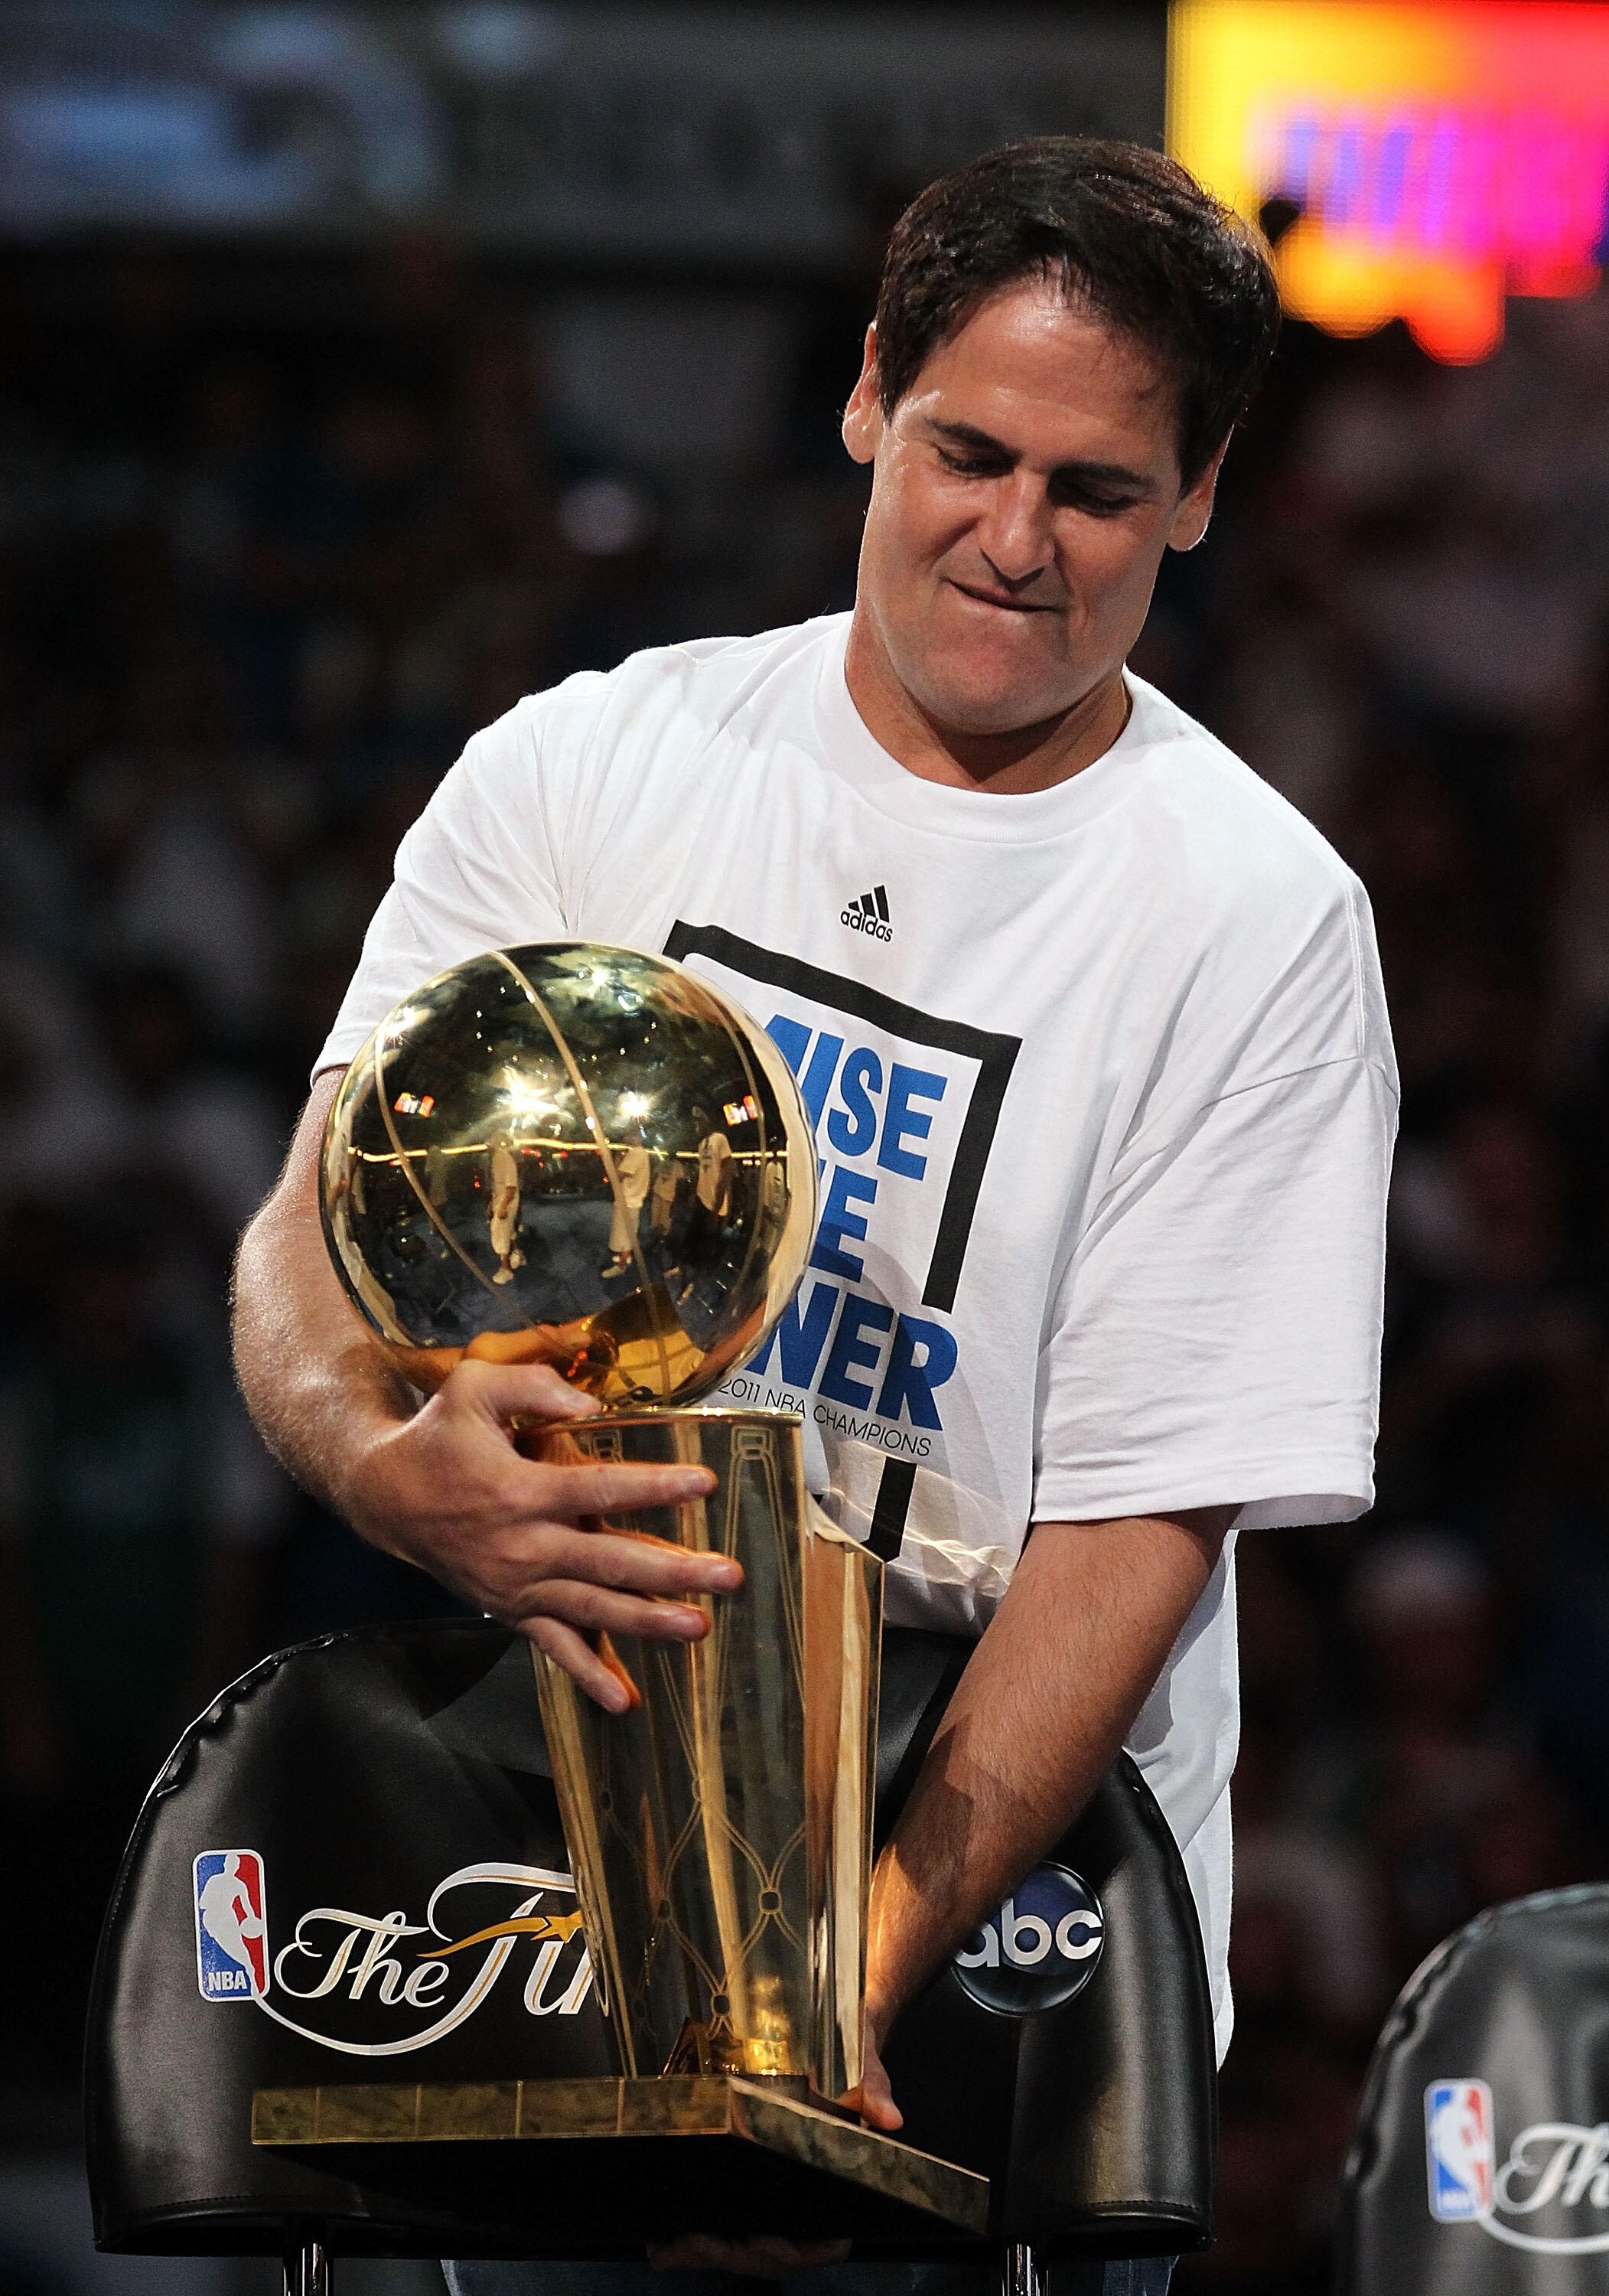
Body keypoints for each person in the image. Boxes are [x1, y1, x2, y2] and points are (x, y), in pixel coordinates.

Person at [233, 139, 1396, 2295]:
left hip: (1003, 1904)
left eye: (1099, 491)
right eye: (971, 454)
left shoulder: (1259, 925)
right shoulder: (591, 764)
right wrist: (384, 1462)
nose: (1018, 541)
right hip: (544, 1849)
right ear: (867, 395)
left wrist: (824, 1985)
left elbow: (1136, 1533)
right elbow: (317, 1229)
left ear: (1200, 497)